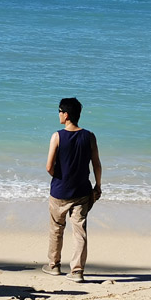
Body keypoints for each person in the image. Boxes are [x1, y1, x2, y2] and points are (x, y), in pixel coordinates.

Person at [43, 97, 102, 283]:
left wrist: (58, 177)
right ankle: (77, 271)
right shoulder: (90, 136)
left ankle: (54, 265)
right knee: (80, 231)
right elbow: (96, 164)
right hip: (82, 191)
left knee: (56, 228)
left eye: (60, 111)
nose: (59, 114)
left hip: (60, 191)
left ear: (66, 115)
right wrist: (98, 186)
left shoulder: (57, 136)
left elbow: (49, 166)